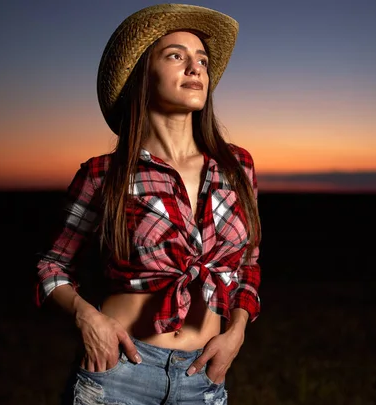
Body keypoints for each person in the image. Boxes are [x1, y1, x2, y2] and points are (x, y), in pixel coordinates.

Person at [34, 4, 261, 404]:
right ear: (143, 73)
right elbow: (52, 266)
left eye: (202, 61)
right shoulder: (105, 174)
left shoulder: (237, 166)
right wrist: (87, 318)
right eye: (176, 55)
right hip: (119, 371)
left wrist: (237, 331)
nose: (195, 69)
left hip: (204, 376)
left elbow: (247, 265)